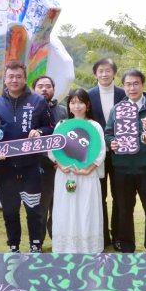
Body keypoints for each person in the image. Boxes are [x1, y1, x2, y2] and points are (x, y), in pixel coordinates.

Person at [0, 61, 54, 253]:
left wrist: (40, 132)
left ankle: (35, 245)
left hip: (32, 165)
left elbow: (51, 128)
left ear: (25, 79)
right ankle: (13, 246)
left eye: (18, 76)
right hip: (5, 167)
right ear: (5, 79)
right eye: (10, 77)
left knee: (34, 210)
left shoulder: (38, 101)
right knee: (10, 211)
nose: (14, 80)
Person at [105, 70, 146, 253]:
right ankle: (127, 247)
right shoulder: (117, 109)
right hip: (122, 168)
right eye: (128, 84)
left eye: (136, 83)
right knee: (124, 210)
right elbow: (108, 133)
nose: (132, 87)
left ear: (143, 85)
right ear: (124, 87)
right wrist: (112, 143)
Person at [49, 89, 106, 253]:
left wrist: (89, 169)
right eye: (73, 102)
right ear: (68, 105)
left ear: (87, 105)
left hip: (87, 176)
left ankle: (88, 248)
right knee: (65, 210)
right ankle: (66, 248)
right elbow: (53, 151)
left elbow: (100, 151)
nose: (77, 106)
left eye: (80, 102)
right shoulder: (61, 125)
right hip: (65, 175)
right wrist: (60, 165)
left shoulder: (94, 126)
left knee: (86, 210)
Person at [88, 58, 125, 249]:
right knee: (98, 196)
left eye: (108, 71)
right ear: (95, 74)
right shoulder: (88, 95)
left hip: (120, 154)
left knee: (120, 196)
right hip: (97, 155)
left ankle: (118, 236)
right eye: (100, 71)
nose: (104, 74)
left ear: (114, 73)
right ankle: (102, 237)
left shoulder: (124, 93)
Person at [33, 75, 68, 242]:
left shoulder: (62, 111)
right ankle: (37, 242)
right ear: (34, 89)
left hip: (61, 166)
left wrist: (63, 161)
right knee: (41, 206)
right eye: (40, 86)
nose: (44, 89)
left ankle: (58, 240)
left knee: (60, 206)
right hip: (39, 165)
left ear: (54, 90)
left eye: (48, 86)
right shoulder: (29, 110)